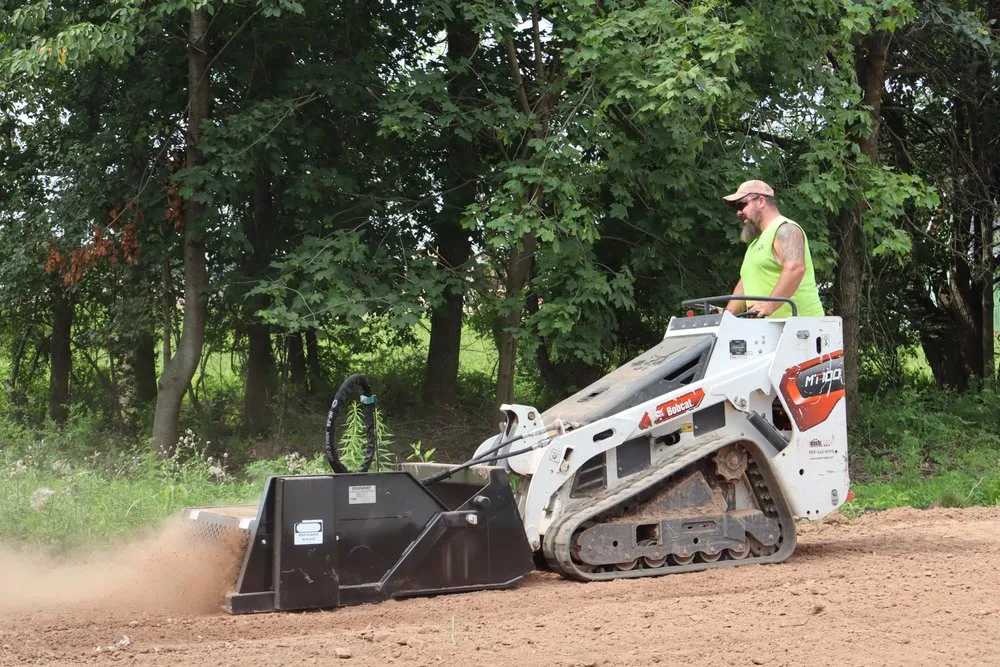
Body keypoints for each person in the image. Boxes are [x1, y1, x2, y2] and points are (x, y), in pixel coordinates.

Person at [721, 179, 824, 318]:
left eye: (742, 205)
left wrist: (769, 306)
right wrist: (726, 315)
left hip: (801, 330)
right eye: (737, 208)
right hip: (771, 332)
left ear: (761, 201)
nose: (738, 212)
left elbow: (795, 268)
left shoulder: (786, 229)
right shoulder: (755, 243)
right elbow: (746, 282)